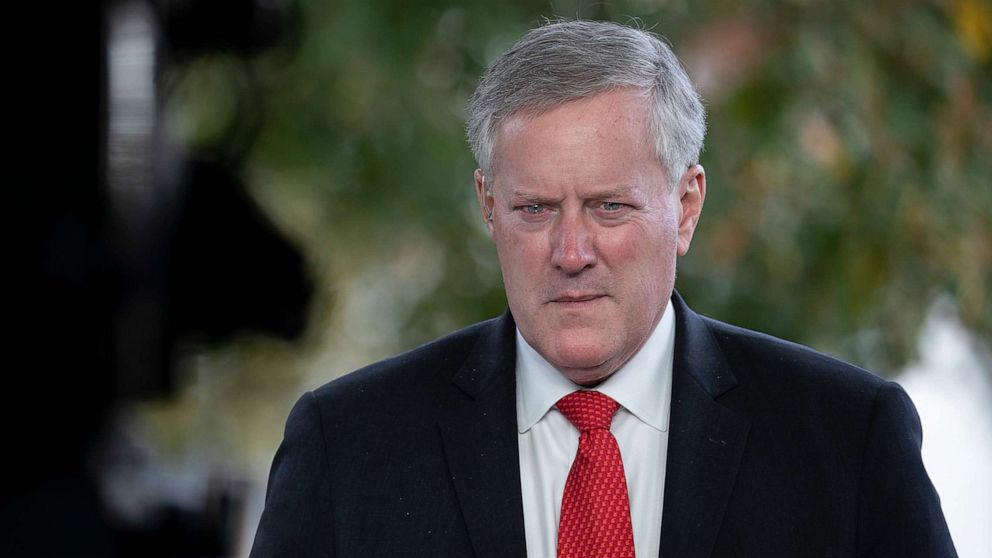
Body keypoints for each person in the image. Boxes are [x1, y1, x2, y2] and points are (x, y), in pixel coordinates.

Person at [250, 20, 956, 557]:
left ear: (685, 207)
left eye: (609, 206)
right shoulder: (348, 448)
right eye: (535, 209)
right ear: (488, 207)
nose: (571, 252)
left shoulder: (847, 439)